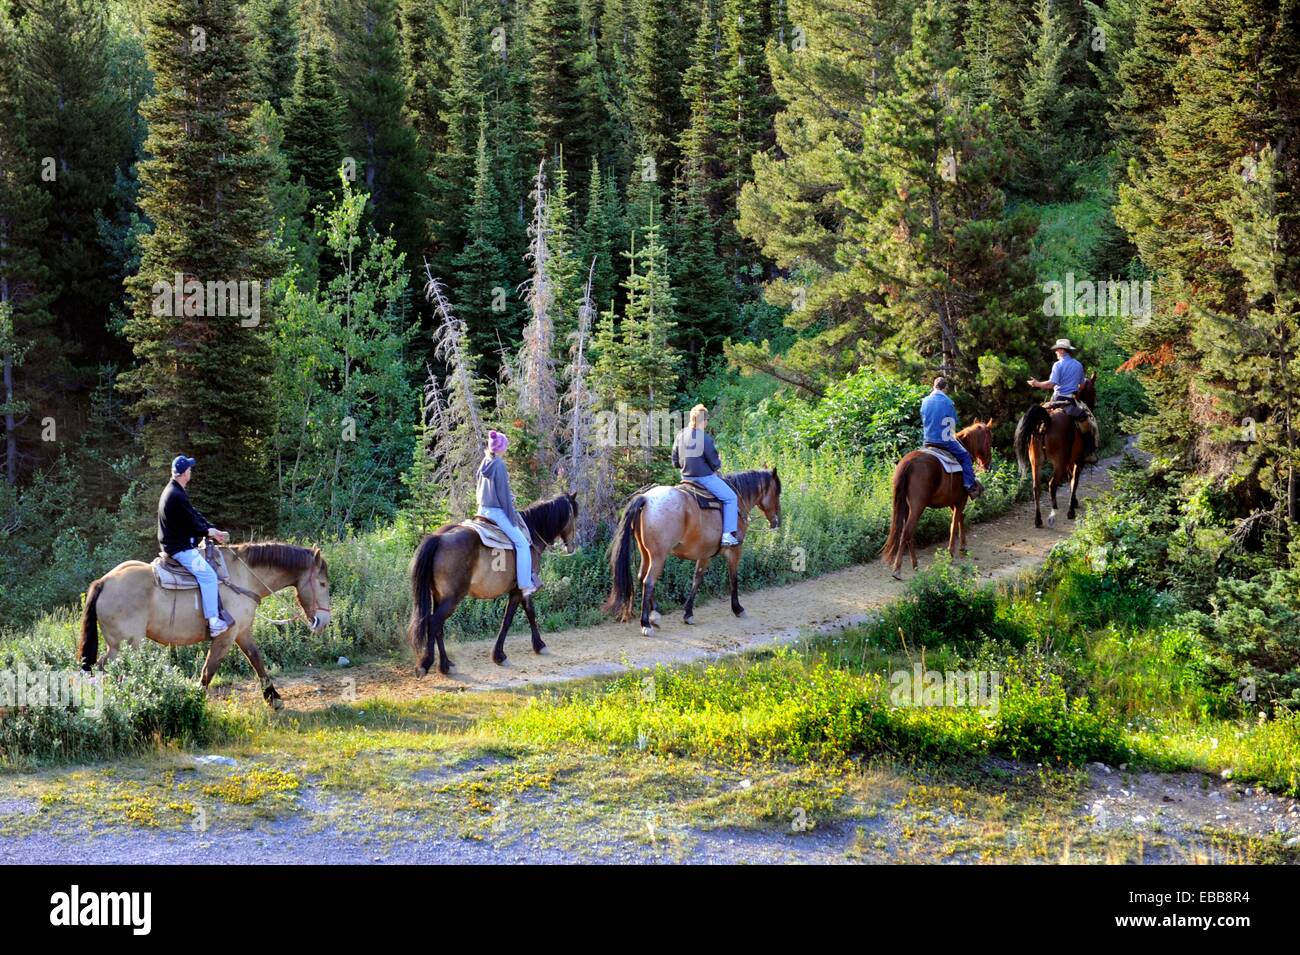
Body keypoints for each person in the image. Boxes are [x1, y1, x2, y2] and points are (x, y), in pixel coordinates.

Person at [158, 455, 231, 637]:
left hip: (177, 543)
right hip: (178, 548)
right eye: (189, 469)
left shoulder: (176, 490)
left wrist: (211, 528)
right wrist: (208, 532)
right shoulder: (176, 495)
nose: (191, 471)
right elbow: (192, 523)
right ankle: (214, 622)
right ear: (184, 473)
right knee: (208, 576)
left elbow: (193, 514)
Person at [476, 429, 540, 598]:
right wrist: (511, 514)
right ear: (501, 448)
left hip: (482, 509)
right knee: (522, 543)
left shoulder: (485, 461)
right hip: (496, 512)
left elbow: (483, 487)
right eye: (506, 446)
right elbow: (503, 495)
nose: (507, 449)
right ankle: (526, 584)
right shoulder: (499, 465)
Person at [672, 404, 740, 546]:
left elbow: (675, 462)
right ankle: (727, 535)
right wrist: (717, 462)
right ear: (705, 421)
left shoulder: (680, 435)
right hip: (704, 479)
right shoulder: (706, 439)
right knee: (731, 498)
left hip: (685, 479)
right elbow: (715, 464)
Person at [1028, 337, 1096, 462]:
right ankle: (1089, 451)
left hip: (1055, 399)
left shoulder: (1057, 365)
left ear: (1062, 350)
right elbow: (1081, 386)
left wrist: (1036, 384)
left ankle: (1033, 449)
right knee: (1086, 420)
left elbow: (1051, 384)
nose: (1055, 352)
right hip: (1070, 400)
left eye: (1057, 350)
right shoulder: (1078, 365)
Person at [920, 377, 984, 499]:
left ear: (934, 386)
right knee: (965, 456)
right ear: (945, 388)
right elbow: (952, 422)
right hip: (944, 441)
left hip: (927, 440)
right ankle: (969, 485)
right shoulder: (949, 402)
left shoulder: (925, 401)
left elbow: (924, 419)